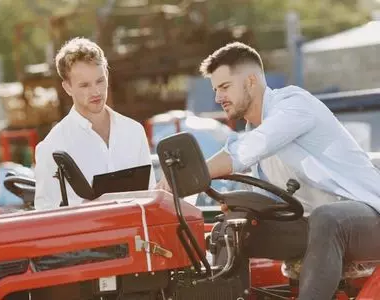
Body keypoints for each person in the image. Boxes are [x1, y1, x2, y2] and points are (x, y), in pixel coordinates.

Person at [156, 41, 380, 299]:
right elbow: (261, 177)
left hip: (369, 216)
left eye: (225, 87)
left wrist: (190, 175)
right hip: (312, 227)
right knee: (231, 229)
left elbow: (244, 150)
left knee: (327, 219)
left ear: (251, 81)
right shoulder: (253, 135)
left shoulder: (294, 105)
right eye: (216, 89)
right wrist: (242, 207)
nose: (218, 97)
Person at [34, 37, 155, 210]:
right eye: (84, 85)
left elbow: (149, 198)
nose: (96, 91)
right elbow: (45, 213)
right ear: (67, 87)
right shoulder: (53, 146)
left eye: (100, 81)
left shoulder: (134, 132)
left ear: (106, 74)